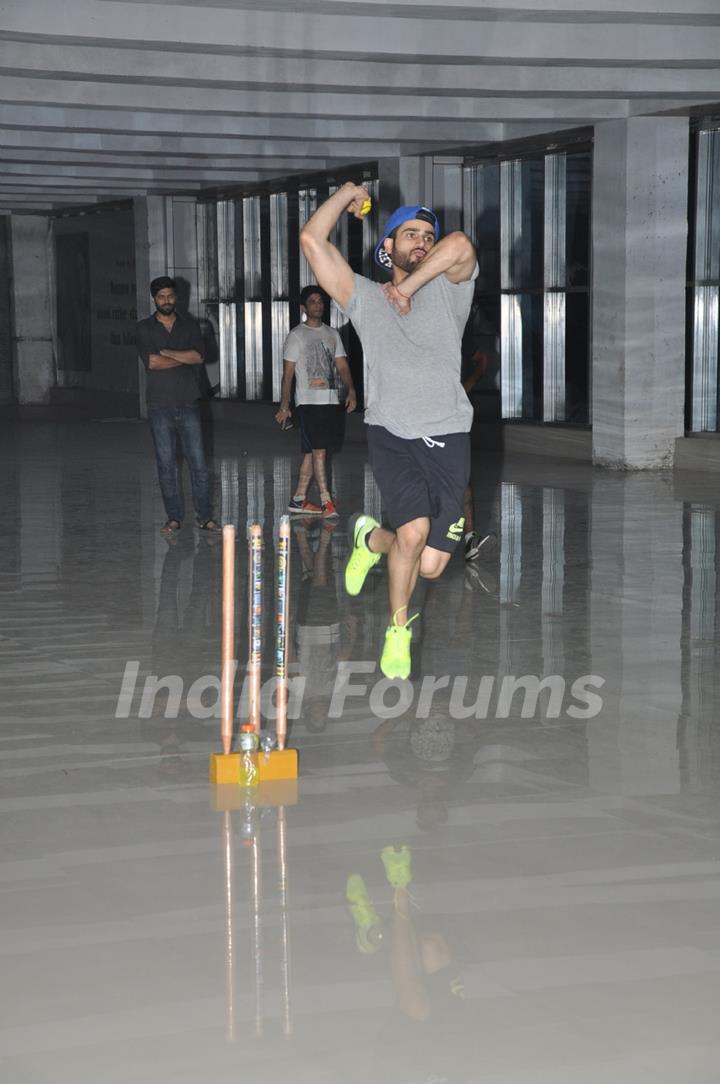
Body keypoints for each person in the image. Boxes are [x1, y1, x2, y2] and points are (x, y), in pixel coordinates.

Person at [300, 185, 477, 679]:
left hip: (448, 433)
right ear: (387, 247)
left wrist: (411, 286)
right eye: (410, 235)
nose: (421, 242)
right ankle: (397, 630)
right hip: (391, 432)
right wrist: (345, 194)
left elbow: (460, 244)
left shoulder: (451, 290)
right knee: (415, 532)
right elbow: (313, 241)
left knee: (430, 564)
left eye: (427, 236)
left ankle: (370, 539)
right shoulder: (364, 297)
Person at [136, 276, 220, 534]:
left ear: (176, 297)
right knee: (166, 465)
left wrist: (167, 352)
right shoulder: (144, 328)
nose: (166, 301)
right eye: (161, 297)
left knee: (199, 464)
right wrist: (183, 356)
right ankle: (173, 517)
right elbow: (151, 363)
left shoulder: (191, 326)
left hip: (189, 403)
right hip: (159, 405)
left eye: (170, 296)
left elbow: (198, 356)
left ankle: (205, 517)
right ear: (154, 299)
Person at [275, 285, 356, 517]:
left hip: (330, 401)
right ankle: (326, 501)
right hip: (308, 403)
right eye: (312, 301)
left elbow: (342, 365)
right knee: (320, 451)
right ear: (304, 307)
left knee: (313, 452)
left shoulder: (332, 334)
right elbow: (288, 373)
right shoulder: (296, 335)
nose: (318, 305)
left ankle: (298, 499)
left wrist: (351, 390)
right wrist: (284, 405)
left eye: (321, 301)